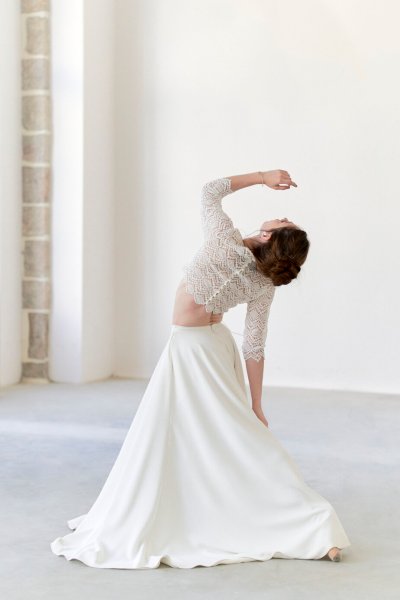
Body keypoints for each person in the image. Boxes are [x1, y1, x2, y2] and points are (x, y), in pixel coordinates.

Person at [50, 169, 351, 569]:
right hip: (213, 347)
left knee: (195, 437)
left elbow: (210, 192)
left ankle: (311, 526)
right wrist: (255, 403)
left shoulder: (224, 242)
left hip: (192, 349)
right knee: (232, 440)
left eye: (284, 222)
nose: (282, 215)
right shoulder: (263, 282)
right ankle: (313, 527)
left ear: (267, 237)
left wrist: (265, 176)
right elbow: (254, 345)